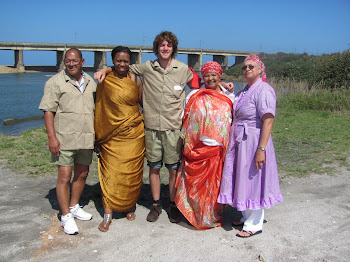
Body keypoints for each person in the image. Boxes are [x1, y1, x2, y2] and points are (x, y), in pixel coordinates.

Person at [95, 31, 232, 223]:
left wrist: (222, 83)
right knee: (154, 168)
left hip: (174, 128)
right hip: (151, 127)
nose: (165, 48)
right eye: (161, 46)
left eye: (168, 45)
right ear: (157, 48)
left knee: (174, 169)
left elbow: (203, 83)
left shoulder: (183, 69)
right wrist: (105, 70)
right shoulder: (147, 67)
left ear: (173, 49)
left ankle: (174, 205)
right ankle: (156, 204)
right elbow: (122, 67)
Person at [218, 56, 283, 238]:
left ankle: (254, 224)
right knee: (243, 177)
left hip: (254, 140)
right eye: (244, 67)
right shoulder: (245, 90)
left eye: (251, 66)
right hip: (241, 140)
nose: (247, 69)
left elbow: (268, 120)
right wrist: (224, 83)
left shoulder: (264, 90)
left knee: (254, 178)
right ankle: (246, 215)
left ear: (260, 70)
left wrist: (261, 149)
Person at [39, 48, 96, 235]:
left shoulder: (90, 82)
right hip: (64, 138)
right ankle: (65, 215)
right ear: (64, 62)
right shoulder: (55, 82)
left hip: (86, 137)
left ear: (82, 61)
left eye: (75, 61)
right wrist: (52, 137)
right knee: (64, 176)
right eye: (68, 61)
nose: (71, 64)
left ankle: (74, 206)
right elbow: (48, 111)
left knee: (82, 174)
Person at [175, 61, 234, 230]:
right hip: (196, 149)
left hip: (218, 151)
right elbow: (184, 118)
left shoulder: (228, 96)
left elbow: (232, 120)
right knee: (195, 186)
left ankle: (210, 216)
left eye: (214, 75)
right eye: (207, 75)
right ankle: (195, 214)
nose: (210, 78)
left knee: (213, 188)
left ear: (220, 76)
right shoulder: (194, 95)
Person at [94, 46, 145, 232]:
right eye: (118, 61)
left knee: (132, 173)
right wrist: (97, 135)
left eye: (125, 61)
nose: (122, 64)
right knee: (110, 174)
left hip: (134, 134)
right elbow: (99, 108)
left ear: (129, 62)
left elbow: (141, 102)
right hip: (111, 135)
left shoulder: (136, 79)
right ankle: (108, 213)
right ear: (112, 61)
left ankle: (129, 206)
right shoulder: (104, 79)